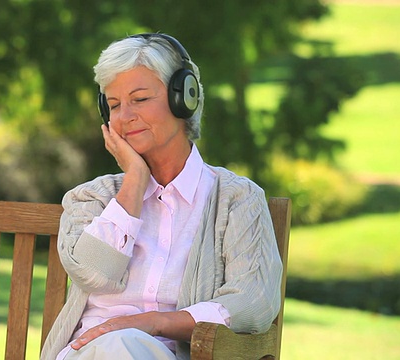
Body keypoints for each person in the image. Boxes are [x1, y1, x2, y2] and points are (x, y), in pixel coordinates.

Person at [40, 33, 282, 360]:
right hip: (91, 353)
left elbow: (253, 301)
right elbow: (95, 275)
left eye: (139, 100)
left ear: (184, 98)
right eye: (113, 105)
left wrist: (155, 323)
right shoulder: (90, 198)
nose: (125, 117)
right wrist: (135, 180)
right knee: (118, 347)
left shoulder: (237, 199)